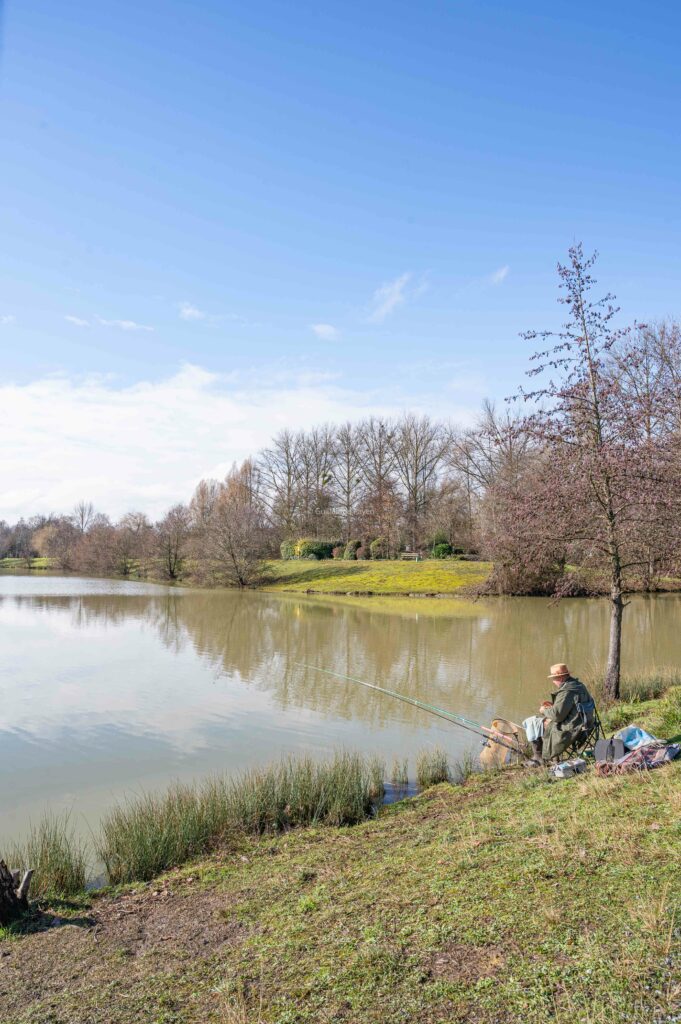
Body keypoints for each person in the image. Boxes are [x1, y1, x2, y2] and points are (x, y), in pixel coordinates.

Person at [529, 663, 595, 763]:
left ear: (560, 678)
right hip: (588, 724)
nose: (553, 681)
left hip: (573, 728)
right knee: (540, 721)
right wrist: (553, 706)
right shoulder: (579, 686)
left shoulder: (566, 691)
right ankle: (547, 756)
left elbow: (557, 716)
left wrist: (544, 710)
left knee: (533, 722)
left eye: (553, 678)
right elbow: (571, 707)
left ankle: (540, 757)